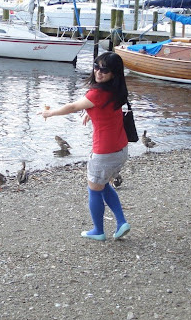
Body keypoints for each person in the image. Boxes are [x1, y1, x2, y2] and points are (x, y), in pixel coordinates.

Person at [41, 51, 131, 241]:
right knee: (103, 185)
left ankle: (98, 231)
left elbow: (73, 106)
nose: (99, 72)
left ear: (114, 73)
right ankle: (122, 222)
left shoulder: (97, 93)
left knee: (94, 189)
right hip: (121, 149)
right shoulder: (117, 90)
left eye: (104, 70)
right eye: (97, 67)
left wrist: (50, 113)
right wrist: (90, 113)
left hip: (104, 152)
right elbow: (103, 108)